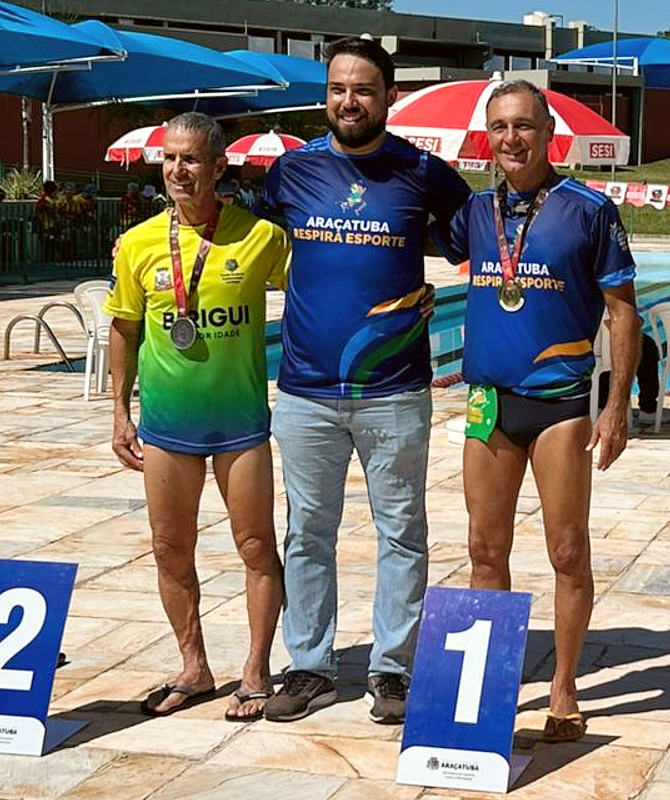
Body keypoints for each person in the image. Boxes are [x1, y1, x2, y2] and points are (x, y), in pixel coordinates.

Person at [256, 35, 470, 725]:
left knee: (401, 531)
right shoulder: (291, 172)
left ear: (389, 97)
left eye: (364, 90)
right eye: (338, 89)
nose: (349, 101)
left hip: (395, 389)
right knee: (307, 533)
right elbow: (239, 237)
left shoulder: (423, 172)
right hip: (306, 389)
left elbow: (475, 237)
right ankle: (310, 665)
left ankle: (394, 669)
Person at [437, 79, 640, 743]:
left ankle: (564, 685)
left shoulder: (589, 209)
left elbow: (623, 313)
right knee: (483, 548)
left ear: (549, 133)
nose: (512, 139)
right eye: (500, 127)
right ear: (487, 137)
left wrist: (617, 406)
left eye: (524, 125)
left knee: (567, 549)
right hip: (489, 403)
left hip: (559, 405)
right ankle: (488, 690)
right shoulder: (474, 212)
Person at [104, 112, 291, 723]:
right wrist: (118, 412)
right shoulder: (138, 244)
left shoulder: (260, 238)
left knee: (256, 545)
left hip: (239, 423)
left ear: (217, 167)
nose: (178, 171)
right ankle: (194, 666)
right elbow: (124, 330)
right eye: (170, 159)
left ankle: (256, 669)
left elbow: (319, 287)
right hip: (167, 425)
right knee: (169, 548)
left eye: (190, 159)